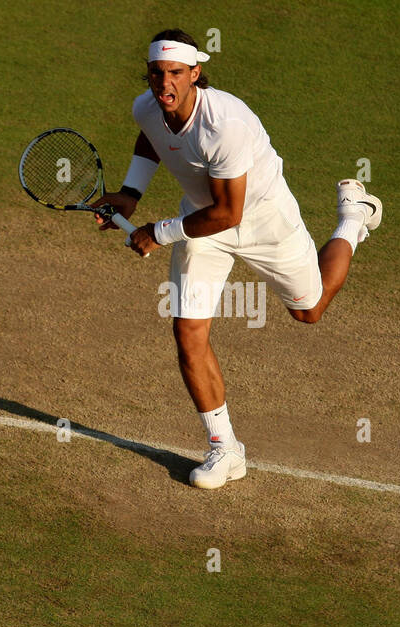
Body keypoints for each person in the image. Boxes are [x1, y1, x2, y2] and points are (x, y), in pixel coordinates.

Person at [95, 29, 382, 489]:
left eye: (174, 73)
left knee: (309, 311)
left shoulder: (225, 125)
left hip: (262, 220)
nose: (163, 83)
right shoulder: (148, 106)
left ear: (195, 74)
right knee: (188, 332)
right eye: (156, 73)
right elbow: (151, 137)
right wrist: (130, 194)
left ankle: (352, 218)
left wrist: (158, 232)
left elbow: (230, 212)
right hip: (202, 224)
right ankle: (225, 449)